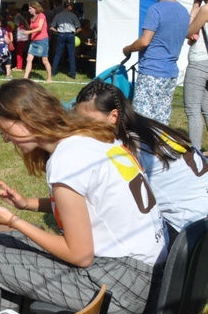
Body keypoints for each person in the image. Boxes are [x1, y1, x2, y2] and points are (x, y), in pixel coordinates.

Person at [0, 79, 166, 314]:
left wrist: (14, 220)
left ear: (25, 119)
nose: (6, 139)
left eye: (5, 131)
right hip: (145, 273)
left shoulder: (67, 159)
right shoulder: (92, 138)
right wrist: (25, 204)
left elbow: (79, 255)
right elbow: (89, 204)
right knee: (5, 242)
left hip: (120, 287)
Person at [75, 80, 208, 234]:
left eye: (87, 121)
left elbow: (115, 203)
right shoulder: (149, 127)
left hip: (192, 229)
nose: (81, 128)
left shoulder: (131, 147)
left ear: (113, 116)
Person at [124, 0, 189, 124]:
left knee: (142, 119)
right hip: (171, 72)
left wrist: (127, 49)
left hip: (152, 71)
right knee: (162, 118)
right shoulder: (183, 11)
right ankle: (159, 147)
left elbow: (144, 42)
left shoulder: (156, 10)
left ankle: (144, 148)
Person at [184, 0, 208, 149]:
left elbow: (188, 30)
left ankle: (196, 153)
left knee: (192, 109)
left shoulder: (205, 9)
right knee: (206, 107)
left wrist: (194, 10)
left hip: (200, 61)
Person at [22, 1, 52, 83]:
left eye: (30, 8)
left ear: (35, 8)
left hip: (42, 40)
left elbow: (39, 28)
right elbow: (32, 28)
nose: (29, 10)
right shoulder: (32, 18)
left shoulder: (42, 16)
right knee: (29, 59)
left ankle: (49, 78)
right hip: (34, 40)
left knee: (44, 60)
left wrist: (28, 32)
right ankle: (25, 78)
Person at [50, 1, 81, 79]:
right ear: (69, 7)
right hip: (70, 34)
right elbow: (79, 28)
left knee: (58, 54)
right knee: (71, 54)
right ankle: (73, 74)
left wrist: (57, 31)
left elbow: (51, 27)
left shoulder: (58, 15)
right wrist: (74, 32)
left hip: (61, 34)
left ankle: (53, 71)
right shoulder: (73, 15)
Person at [12, 5, 30, 71]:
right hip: (23, 36)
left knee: (19, 52)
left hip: (20, 36)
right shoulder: (20, 16)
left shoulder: (17, 17)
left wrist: (12, 33)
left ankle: (19, 66)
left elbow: (15, 27)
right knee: (21, 51)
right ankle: (20, 65)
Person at [0, 14, 12, 78]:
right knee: (9, 55)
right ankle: (8, 72)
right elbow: (7, 41)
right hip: (2, 51)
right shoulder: (3, 30)